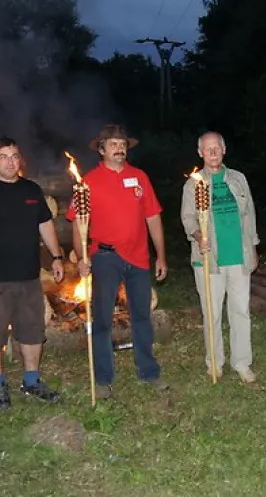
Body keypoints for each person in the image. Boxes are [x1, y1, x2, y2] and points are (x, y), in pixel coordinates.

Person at [0, 137, 64, 409]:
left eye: (15, 156)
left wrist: (57, 256)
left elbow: (45, 225)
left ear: (21, 159)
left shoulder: (31, 189)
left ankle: (31, 380)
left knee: (32, 330)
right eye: (3, 156)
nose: (10, 162)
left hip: (28, 275)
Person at [66, 124, 169, 401]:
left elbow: (153, 218)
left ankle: (149, 371)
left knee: (142, 316)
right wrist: (81, 258)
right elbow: (77, 225)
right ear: (101, 149)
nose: (119, 148)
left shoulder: (140, 178)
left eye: (122, 143)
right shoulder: (87, 182)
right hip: (105, 257)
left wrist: (161, 254)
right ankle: (103, 378)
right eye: (113, 144)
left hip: (138, 257)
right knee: (101, 319)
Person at [181, 131, 260, 383]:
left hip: (238, 256)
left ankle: (242, 363)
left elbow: (249, 216)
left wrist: (254, 246)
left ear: (224, 150)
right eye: (208, 148)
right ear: (200, 152)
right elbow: (188, 217)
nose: (213, 152)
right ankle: (214, 363)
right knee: (212, 313)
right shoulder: (194, 183)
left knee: (240, 311)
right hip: (208, 259)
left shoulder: (238, 179)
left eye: (217, 147)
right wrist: (197, 234)